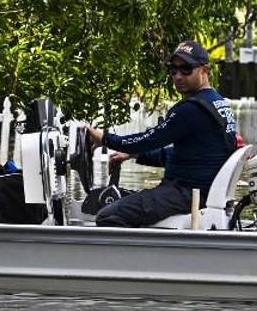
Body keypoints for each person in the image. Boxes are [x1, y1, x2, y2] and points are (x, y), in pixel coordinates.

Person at [86, 40, 238, 228]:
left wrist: (105, 139)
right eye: (173, 70)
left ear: (205, 70)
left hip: (187, 194)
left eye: (186, 69)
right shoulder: (219, 103)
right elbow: (184, 155)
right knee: (124, 200)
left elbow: (149, 139)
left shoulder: (190, 110)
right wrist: (134, 155)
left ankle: (138, 258)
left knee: (108, 216)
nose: (178, 76)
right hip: (200, 190)